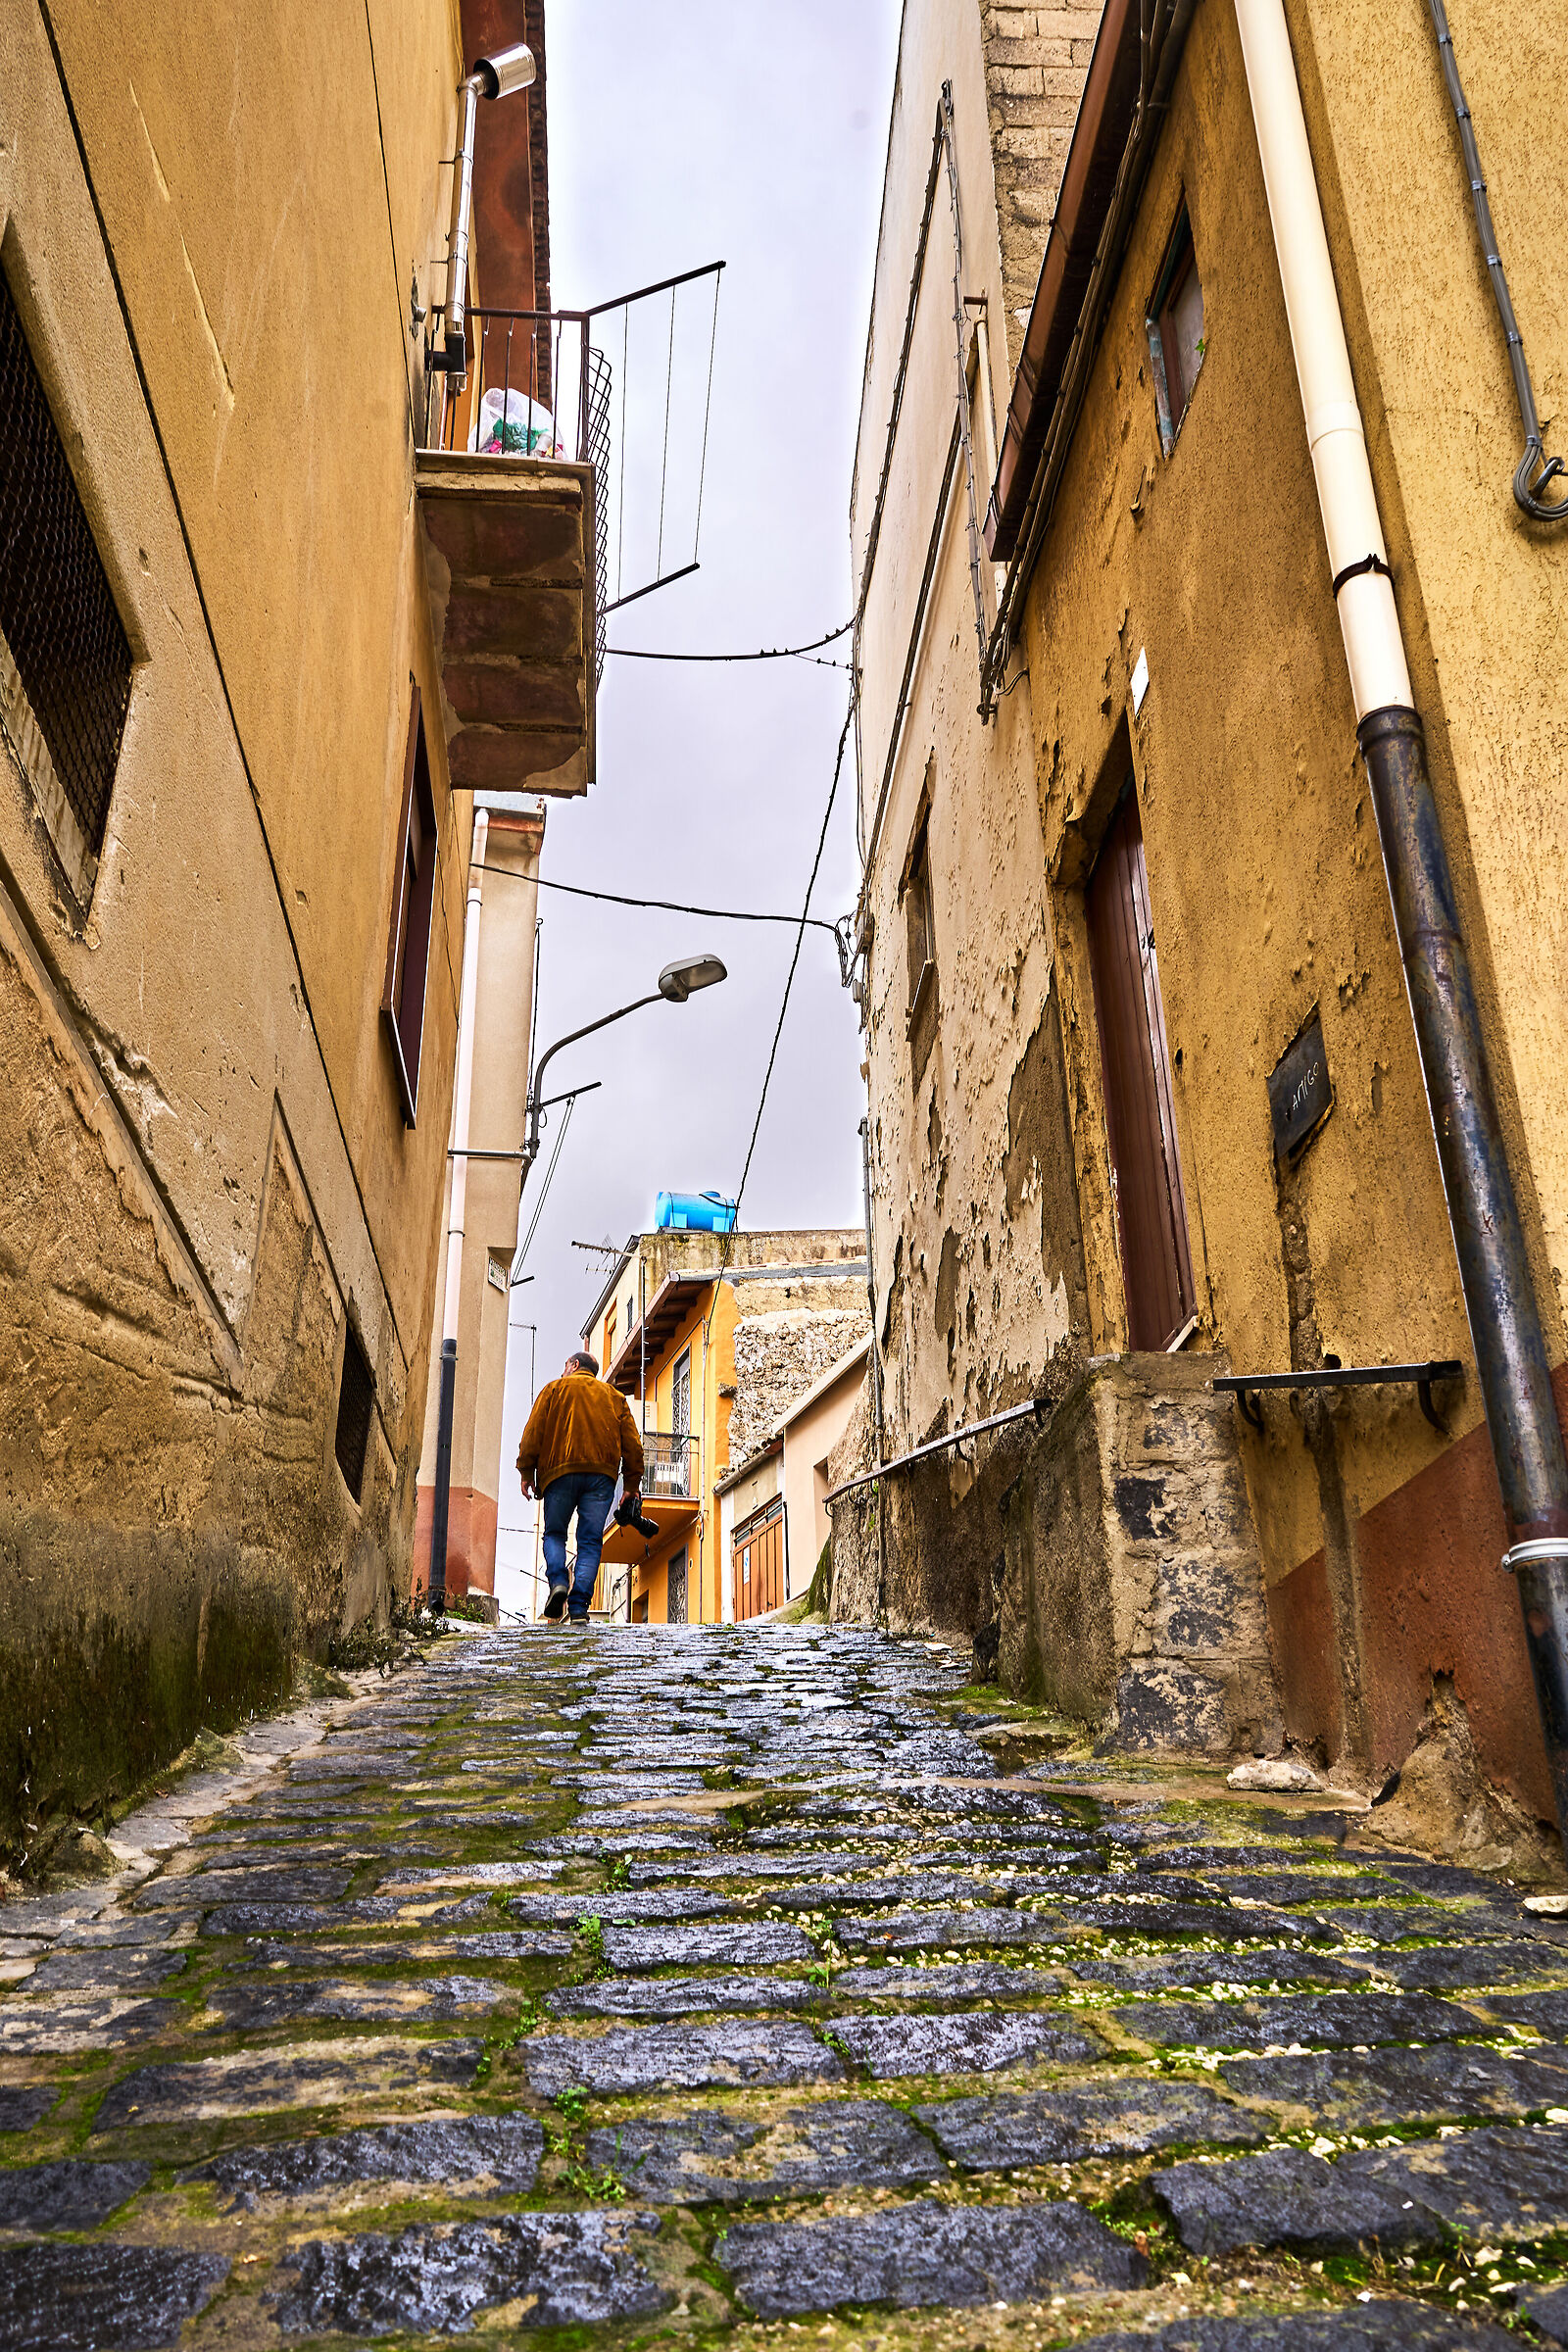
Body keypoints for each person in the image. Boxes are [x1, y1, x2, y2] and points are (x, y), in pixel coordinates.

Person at [516, 1349, 645, 1624]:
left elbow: (532, 1434)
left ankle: (558, 1583)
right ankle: (578, 1608)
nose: (563, 1371)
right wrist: (631, 1483)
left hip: (559, 1473)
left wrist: (526, 1470)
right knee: (589, 1542)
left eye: (565, 1365)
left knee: (554, 1534)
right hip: (601, 1477)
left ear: (574, 1365)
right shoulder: (615, 1398)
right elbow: (633, 1445)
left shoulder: (553, 1390)